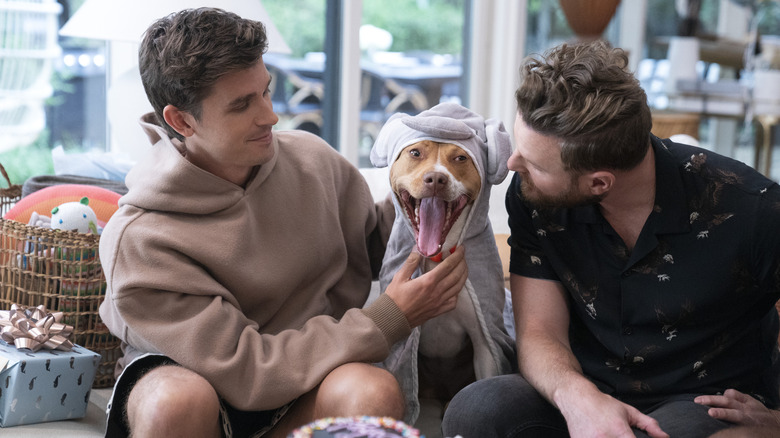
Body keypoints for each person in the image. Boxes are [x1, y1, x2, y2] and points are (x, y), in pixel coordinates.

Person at [98, 8, 468, 438]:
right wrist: (387, 318)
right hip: (195, 379)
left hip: (305, 382)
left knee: (370, 392)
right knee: (175, 404)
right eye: (242, 105)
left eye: (265, 93)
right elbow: (247, 369)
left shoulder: (313, 160)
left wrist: (430, 190)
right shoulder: (140, 238)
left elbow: (378, 241)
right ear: (181, 121)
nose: (269, 116)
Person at [441, 40, 780, 438]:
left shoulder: (753, 209)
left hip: (701, 398)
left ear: (599, 183)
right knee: (476, 410)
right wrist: (578, 397)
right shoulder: (535, 196)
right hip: (584, 380)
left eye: (531, 162)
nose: (513, 165)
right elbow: (539, 332)